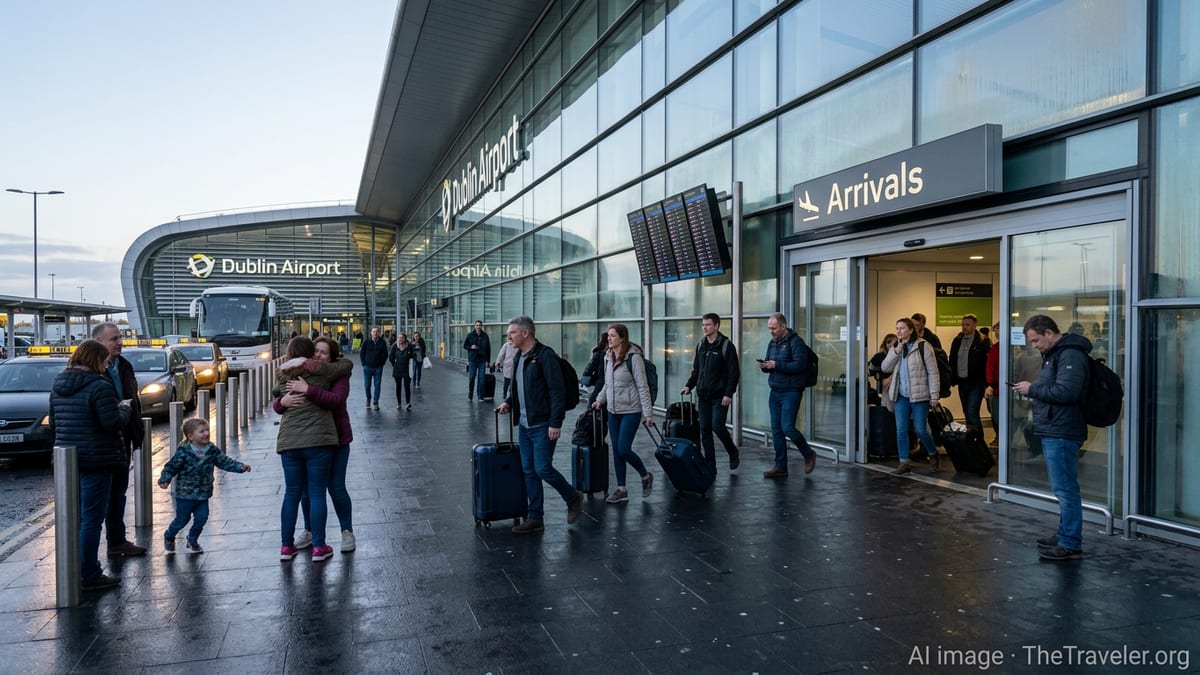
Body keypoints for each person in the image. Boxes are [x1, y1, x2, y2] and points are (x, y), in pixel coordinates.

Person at [49, 339, 133, 590]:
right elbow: (110, 422)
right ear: (96, 359)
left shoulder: (58, 383)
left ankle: (73, 568)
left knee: (73, 518)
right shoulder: (99, 385)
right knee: (91, 518)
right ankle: (90, 573)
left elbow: (53, 422)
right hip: (97, 458)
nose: (106, 365)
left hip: (68, 458)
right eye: (104, 361)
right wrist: (124, 409)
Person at [1012, 315, 1090, 561]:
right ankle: (1064, 534)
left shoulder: (1069, 355)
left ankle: (1070, 543)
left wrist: (1032, 389)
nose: (1034, 345)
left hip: (1063, 430)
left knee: (1065, 489)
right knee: (1062, 488)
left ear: (1048, 332)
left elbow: (1067, 391)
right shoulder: (1055, 355)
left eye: (1035, 340)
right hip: (1054, 428)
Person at [497, 316, 582, 534]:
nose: (509, 336)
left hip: (543, 424)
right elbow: (515, 387)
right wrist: (508, 401)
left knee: (542, 467)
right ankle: (535, 517)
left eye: (513, 332)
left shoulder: (546, 356)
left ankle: (572, 497)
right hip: (525, 424)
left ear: (526, 333)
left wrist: (555, 423)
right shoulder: (518, 357)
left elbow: (557, 392)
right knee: (529, 470)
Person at [274, 336, 357, 553]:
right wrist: (281, 403)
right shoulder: (306, 373)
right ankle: (312, 534)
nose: (318, 356)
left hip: (336, 438)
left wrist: (307, 389)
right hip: (317, 441)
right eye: (315, 352)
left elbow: (336, 399)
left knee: (336, 487)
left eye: (323, 352)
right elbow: (279, 396)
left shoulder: (336, 373)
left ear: (332, 355)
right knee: (306, 492)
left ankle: (346, 532)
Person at [91, 322, 147, 557]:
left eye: (120, 337)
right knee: (96, 502)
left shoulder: (124, 365)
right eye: (113, 339)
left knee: (118, 494)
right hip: (101, 442)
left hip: (122, 438)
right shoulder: (91, 370)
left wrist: (137, 433)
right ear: (98, 342)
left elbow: (132, 399)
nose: (119, 343)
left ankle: (117, 541)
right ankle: (87, 560)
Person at [158, 418, 251, 554]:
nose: (206, 433)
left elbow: (224, 461)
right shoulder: (183, 451)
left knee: (202, 517)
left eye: (207, 430)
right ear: (190, 436)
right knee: (182, 519)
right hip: (185, 494)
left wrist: (240, 467)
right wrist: (165, 479)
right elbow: (171, 466)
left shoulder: (211, 450)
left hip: (203, 493)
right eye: (201, 431)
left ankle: (192, 539)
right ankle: (169, 536)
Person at [592, 324, 655, 504]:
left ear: (622, 338)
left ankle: (645, 475)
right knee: (617, 452)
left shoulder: (633, 358)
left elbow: (643, 386)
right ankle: (621, 489)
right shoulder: (608, 357)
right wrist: (600, 399)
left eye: (612, 336)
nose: (609, 339)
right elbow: (607, 384)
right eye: (608, 336)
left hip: (631, 410)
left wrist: (648, 413)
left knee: (623, 449)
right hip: (613, 410)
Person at [880, 317, 942, 475]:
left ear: (910, 330)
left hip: (919, 395)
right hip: (901, 394)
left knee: (920, 429)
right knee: (901, 430)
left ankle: (933, 452)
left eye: (901, 328)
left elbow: (933, 372)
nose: (898, 331)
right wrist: (896, 351)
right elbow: (885, 367)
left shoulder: (923, 346)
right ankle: (904, 461)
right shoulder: (897, 346)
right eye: (897, 328)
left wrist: (934, 394)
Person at [759, 312, 817, 478]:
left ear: (783, 326)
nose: (771, 331)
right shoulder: (773, 343)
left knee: (787, 427)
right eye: (769, 328)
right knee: (776, 430)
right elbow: (771, 362)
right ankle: (780, 466)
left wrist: (776, 364)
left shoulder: (796, 342)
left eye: (774, 328)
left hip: (791, 391)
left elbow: (799, 365)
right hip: (775, 390)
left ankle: (808, 454)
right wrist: (765, 366)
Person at [681, 313, 741, 471]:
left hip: (720, 396)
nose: (704, 328)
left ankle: (732, 451)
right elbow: (696, 370)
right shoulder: (701, 345)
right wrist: (689, 386)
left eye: (707, 325)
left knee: (718, 426)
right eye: (703, 325)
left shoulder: (726, 345)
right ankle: (710, 464)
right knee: (705, 428)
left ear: (716, 326)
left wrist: (729, 393)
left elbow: (734, 373)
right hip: (703, 395)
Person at [949, 314, 991, 430]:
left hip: (976, 382)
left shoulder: (983, 341)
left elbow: (987, 362)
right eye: (963, 325)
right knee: (966, 412)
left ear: (974, 325)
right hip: (962, 381)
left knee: (972, 412)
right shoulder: (958, 340)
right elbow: (952, 359)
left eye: (967, 325)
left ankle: (978, 442)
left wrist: (986, 383)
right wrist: (952, 377)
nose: (964, 327)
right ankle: (971, 440)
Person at [359, 326, 389, 410]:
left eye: (377, 332)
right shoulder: (366, 342)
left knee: (377, 385)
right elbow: (362, 353)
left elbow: (385, 354)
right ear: (371, 333)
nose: (375, 333)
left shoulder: (382, 342)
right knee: (367, 385)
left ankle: (376, 402)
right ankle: (368, 398)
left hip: (378, 368)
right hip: (367, 367)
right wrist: (364, 364)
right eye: (374, 332)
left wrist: (381, 364)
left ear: (379, 333)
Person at [463, 320, 492, 401]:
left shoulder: (485, 336)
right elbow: (465, 345)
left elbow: (488, 349)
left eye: (480, 325)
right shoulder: (470, 335)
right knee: (472, 378)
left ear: (481, 326)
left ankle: (480, 396)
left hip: (482, 360)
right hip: (473, 360)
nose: (478, 327)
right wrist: (470, 347)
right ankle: (470, 394)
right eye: (477, 325)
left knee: (481, 378)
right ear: (474, 326)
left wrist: (488, 361)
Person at [389, 332, 416, 410]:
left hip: (407, 370)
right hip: (397, 370)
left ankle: (408, 403)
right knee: (398, 386)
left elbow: (413, 355)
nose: (400, 339)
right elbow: (391, 358)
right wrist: (395, 364)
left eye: (402, 338)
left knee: (407, 386)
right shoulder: (395, 346)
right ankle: (399, 403)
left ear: (405, 339)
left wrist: (411, 356)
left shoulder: (409, 346)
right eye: (399, 338)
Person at [985, 322, 1001, 444]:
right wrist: (989, 385)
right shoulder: (995, 348)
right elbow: (989, 367)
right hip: (995, 388)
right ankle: (999, 436)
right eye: (995, 330)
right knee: (995, 414)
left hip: (1010, 388)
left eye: (999, 329)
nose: (997, 332)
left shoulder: (1015, 348)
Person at [580, 333, 607, 406]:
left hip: (600, 381)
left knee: (593, 400)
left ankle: (591, 415)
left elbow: (590, 368)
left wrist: (585, 377)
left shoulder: (599, 353)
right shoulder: (608, 353)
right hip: (605, 381)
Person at [494, 333, 519, 401]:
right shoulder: (506, 345)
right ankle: (505, 392)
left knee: (513, 382)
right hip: (508, 366)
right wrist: (498, 362)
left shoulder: (518, 345)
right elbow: (501, 354)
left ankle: (511, 395)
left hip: (516, 366)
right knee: (506, 382)